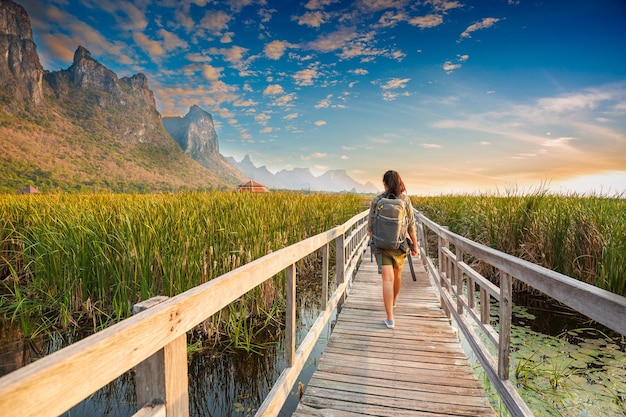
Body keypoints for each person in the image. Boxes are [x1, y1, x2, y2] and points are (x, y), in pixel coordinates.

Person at [367, 170, 418, 329]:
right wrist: (415, 245)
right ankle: (393, 300)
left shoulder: (377, 200)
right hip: (400, 245)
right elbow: (411, 226)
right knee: (397, 276)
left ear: (384, 183)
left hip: (381, 245)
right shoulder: (405, 200)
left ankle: (390, 318)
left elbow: (370, 228)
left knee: (386, 279)